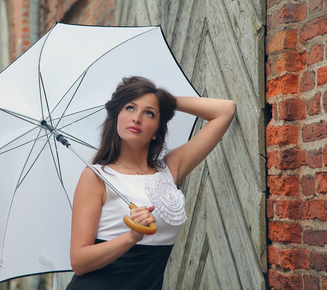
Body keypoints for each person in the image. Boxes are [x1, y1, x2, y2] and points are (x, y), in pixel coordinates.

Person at [66, 76, 236, 289]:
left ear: (157, 129)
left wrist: (164, 100)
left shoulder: (169, 169)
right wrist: (131, 236)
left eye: (149, 113)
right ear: (116, 116)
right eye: (130, 108)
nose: (137, 118)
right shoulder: (96, 176)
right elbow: (79, 262)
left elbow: (225, 110)